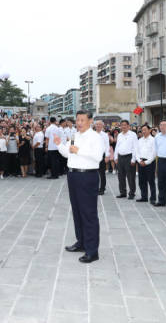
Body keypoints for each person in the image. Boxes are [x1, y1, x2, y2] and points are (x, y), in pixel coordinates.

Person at [55, 110, 105, 264]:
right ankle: (81, 242)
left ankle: (92, 251)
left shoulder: (95, 137)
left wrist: (79, 151)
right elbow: (68, 154)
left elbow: (98, 157)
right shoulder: (75, 136)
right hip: (73, 175)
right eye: (78, 120)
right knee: (77, 211)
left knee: (88, 213)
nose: (79, 123)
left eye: (83, 120)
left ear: (90, 121)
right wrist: (59, 145)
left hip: (87, 176)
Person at [114, 120, 138, 199]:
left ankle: (131, 193)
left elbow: (135, 147)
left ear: (128, 126)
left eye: (125, 125)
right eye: (122, 125)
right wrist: (116, 157)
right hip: (120, 157)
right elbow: (117, 146)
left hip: (129, 157)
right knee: (120, 176)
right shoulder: (120, 135)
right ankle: (122, 192)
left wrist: (133, 159)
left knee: (130, 177)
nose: (123, 126)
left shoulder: (133, 134)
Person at [136, 124, 156, 203]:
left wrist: (147, 162)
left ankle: (153, 198)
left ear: (150, 130)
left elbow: (154, 153)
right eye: (142, 130)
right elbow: (136, 152)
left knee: (151, 180)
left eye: (145, 130)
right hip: (141, 162)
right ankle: (144, 196)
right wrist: (139, 160)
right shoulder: (140, 140)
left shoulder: (153, 140)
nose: (143, 131)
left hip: (149, 162)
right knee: (141, 181)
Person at [95, 120, 110, 195]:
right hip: (93, 156)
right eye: (97, 124)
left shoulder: (104, 135)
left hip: (102, 155)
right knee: (94, 173)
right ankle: (95, 187)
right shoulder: (92, 134)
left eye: (99, 124)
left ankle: (102, 188)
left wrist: (107, 156)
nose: (98, 126)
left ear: (102, 126)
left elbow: (107, 146)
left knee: (102, 173)